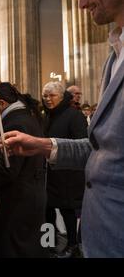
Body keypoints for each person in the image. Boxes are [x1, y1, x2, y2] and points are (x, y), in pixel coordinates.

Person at [3, 0, 124, 257]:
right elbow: (104, 151)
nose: (81, 3)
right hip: (101, 238)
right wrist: (43, 145)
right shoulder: (114, 56)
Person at [0, 83, 47, 258]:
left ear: (1, 103)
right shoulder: (27, 116)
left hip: (17, 199)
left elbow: (9, 169)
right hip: (31, 193)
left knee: (14, 248)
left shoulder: (13, 123)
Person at [41, 82, 87, 258]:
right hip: (51, 173)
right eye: (45, 96)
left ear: (61, 96)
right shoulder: (48, 115)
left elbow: (82, 143)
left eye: (51, 96)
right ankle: (48, 243)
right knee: (48, 209)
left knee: (67, 211)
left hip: (68, 173)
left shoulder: (74, 116)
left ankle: (73, 245)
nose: (47, 99)